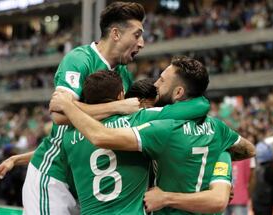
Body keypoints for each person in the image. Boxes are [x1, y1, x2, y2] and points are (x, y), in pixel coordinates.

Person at [0, 2, 146, 214]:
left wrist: (19, 158)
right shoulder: (79, 59)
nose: (142, 43)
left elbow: (78, 132)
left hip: (83, 183)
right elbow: (60, 115)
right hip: (53, 179)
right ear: (116, 34)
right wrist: (118, 106)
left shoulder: (124, 75)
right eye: (137, 35)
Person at [50, 56, 256, 214]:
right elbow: (248, 150)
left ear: (178, 93)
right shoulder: (218, 131)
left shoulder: (160, 128)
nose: (156, 84)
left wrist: (69, 106)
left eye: (162, 80)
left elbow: (99, 136)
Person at [58, 70, 210, 214]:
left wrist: (71, 105)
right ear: (121, 95)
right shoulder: (138, 119)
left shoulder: (69, 135)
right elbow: (198, 106)